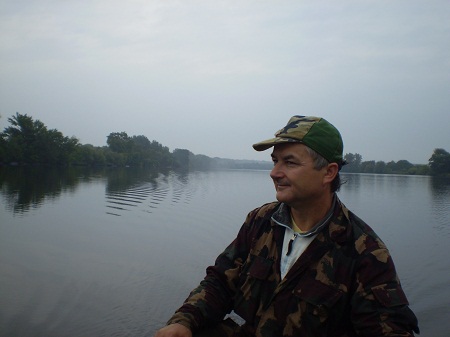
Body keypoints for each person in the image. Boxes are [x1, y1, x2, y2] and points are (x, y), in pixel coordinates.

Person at [154, 116, 419, 337]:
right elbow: (221, 282)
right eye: (274, 161)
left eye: (289, 162)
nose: (274, 172)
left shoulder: (364, 251)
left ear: (329, 172)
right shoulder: (260, 221)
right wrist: (184, 321)